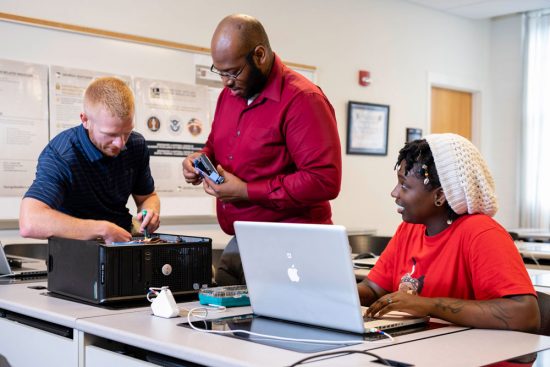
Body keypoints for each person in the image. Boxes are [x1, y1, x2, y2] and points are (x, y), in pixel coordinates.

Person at [182, 14, 342, 285]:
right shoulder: (229, 96)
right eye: (219, 72)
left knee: (283, 327)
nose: (226, 82)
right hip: (243, 240)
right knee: (221, 321)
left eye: (233, 72)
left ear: (260, 55)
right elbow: (216, 145)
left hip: (294, 247)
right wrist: (200, 159)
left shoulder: (303, 100)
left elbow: (324, 180)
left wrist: (246, 191)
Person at [358, 133, 540, 332]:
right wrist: (330, 292)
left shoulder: (482, 233)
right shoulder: (409, 229)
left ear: (440, 195)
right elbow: (374, 289)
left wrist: (428, 305)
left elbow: (526, 315)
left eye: (404, 185)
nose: (394, 193)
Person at [19, 76, 160, 244]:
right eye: (111, 134)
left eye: (126, 132)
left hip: (124, 244)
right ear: (85, 120)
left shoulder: (136, 144)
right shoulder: (62, 154)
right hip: (77, 252)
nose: (121, 143)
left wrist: (149, 212)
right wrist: (102, 229)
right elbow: (30, 222)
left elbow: (147, 197)